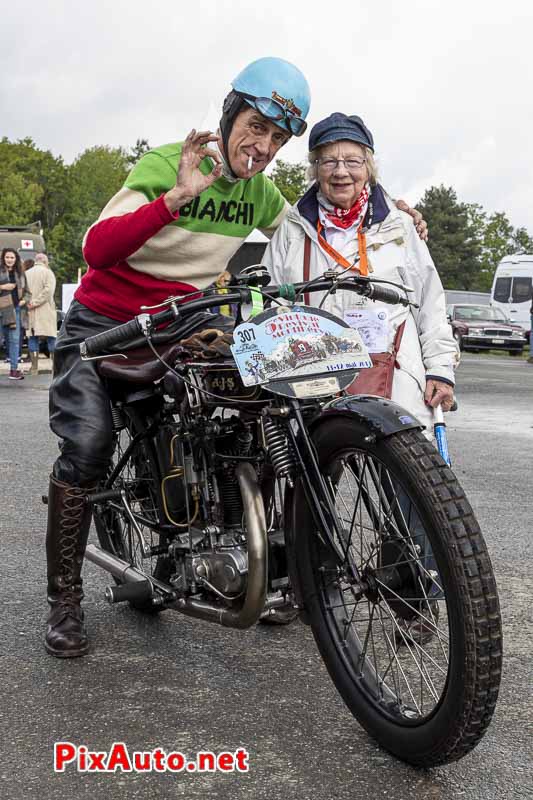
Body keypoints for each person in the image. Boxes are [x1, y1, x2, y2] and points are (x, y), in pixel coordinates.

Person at [45, 59, 428, 659]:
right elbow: (96, 248)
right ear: (229, 116)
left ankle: (261, 559)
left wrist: (391, 212)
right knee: (88, 447)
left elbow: (317, 228)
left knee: (252, 412)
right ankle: (64, 600)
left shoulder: (261, 194)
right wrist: (176, 196)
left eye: (277, 138)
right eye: (256, 127)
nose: (263, 145)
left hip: (181, 325)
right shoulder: (169, 161)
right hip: (103, 324)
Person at [262, 112, 458, 434]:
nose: (341, 172)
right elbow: (268, 303)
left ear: (368, 167)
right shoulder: (292, 229)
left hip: (395, 379)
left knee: (405, 478)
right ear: (314, 170)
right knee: (315, 477)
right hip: (315, 379)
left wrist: (440, 370)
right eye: (328, 162)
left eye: (352, 161)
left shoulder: (399, 226)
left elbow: (430, 305)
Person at [0, 248, 30, 380]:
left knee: (14, 341)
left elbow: (28, 292)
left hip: (16, 310)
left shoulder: (21, 273)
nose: (10, 260)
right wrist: (2, 287)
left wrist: (24, 301)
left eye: (12, 257)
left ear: (16, 259)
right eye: (7, 257)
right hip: (1, 310)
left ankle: (14, 370)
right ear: (3, 258)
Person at [25, 253, 57, 376]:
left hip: (30, 309)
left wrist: (30, 302)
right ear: (45, 261)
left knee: (32, 337)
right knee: (51, 337)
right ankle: (55, 367)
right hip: (46, 310)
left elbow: (23, 291)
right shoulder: (48, 272)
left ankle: (34, 368)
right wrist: (37, 302)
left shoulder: (27, 273)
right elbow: (49, 291)